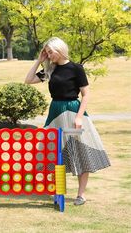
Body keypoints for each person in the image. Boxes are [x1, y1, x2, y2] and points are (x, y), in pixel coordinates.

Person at [25, 37, 111, 206]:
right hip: (55, 111)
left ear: (60, 49)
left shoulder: (76, 68)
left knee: (81, 151)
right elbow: (28, 80)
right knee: (50, 152)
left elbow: (86, 94)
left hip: (73, 111)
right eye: (47, 53)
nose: (49, 55)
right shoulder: (50, 69)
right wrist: (39, 61)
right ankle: (56, 190)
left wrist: (79, 117)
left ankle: (81, 195)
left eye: (51, 52)